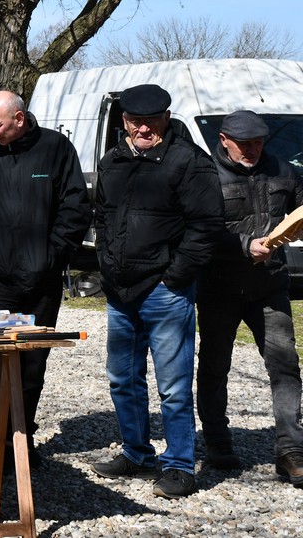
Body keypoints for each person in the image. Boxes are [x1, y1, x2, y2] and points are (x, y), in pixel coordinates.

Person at [91, 83, 223, 499]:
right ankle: (136, 452)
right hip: (120, 290)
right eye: (135, 121)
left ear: (166, 118)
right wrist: (106, 264)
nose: (143, 128)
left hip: (166, 291)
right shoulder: (112, 161)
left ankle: (180, 465)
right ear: (124, 121)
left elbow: (206, 227)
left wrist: (175, 276)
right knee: (123, 380)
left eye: (151, 121)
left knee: (173, 385)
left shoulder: (189, 163)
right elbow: (102, 216)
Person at [0, 91, 91, 467]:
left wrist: (54, 253)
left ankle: (23, 433)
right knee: (0, 360)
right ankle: (3, 432)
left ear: (19, 118)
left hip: (43, 277)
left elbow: (75, 205)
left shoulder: (56, 148)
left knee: (33, 361)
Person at [196, 110, 303, 485]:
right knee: (214, 368)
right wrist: (244, 246)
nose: (253, 150)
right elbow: (200, 232)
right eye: (244, 144)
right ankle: (217, 444)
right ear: (223, 139)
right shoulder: (204, 175)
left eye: (259, 142)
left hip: (270, 286)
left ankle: (291, 450)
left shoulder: (285, 170)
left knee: (285, 365)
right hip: (218, 288)